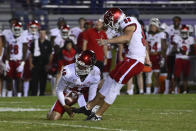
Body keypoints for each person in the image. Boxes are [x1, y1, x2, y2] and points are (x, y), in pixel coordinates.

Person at [73, 8, 146, 121]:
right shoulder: (126, 23)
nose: (110, 24)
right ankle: (89, 107)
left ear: (116, 18)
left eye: (110, 21)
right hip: (130, 58)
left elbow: (127, 38)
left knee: (114, 87)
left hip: (136, 60)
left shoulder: (129, 21)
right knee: (109, 81)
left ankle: (98, 115)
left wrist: (107, 41)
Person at [47, 50, 100, 120]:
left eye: (83, 66)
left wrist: (90, 107)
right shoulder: (68, 71)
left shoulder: (95, 72)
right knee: (53, 117)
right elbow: (59, 90)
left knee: (102, 89)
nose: (79, 67)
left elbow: (92, 94)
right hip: (69, 93)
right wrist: (64, 105)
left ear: (90, 66)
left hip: (84, 94)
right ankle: (50, 112)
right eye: (79, 64)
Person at [5, 22, 28, 97]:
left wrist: (22, 63)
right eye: (16, 29)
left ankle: (19, 94)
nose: (17, 31)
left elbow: (25, 52)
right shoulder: (9, 37)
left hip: (19, 61)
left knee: (19, 79)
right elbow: (7, 50)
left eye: (19, 29)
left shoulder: (23, 38)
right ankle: (9, 94)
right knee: (9, 78)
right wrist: (7, 62)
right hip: (11, 60)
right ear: (13, 29)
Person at [145, 18, 167, 94]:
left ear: (157, 27)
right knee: (148, 74)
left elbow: (164, 47)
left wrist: (163, 58)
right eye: (151, 26)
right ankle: (147, 92)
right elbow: (146, 46)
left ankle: (155, 92)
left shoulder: (161, 34)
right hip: (149, 56)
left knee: (156, 75)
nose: (152, 27)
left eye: (153, 26)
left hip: (157, 56)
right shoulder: (147, 34)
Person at [30, 29, 53, 96]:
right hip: (36, 64)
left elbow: (51, 55)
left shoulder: (48, 43)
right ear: (38, 34)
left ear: (45, 34)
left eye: (43, 33)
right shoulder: (34, 42)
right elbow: (31, 54)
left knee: (43, 80)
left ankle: (42, 94)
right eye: (40, 33)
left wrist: (49, 64)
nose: (42, 35)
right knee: (34, 81)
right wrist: (31, 64)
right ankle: (33, 94)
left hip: (44, 65)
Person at [173, 25, 194, 94]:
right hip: (178, 58)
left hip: (186, 59)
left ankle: (185, 91)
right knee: (176, 75)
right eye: (183, 32)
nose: (184, 34)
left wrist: (187, 52)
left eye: (185, 32)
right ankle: (175, 90)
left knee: (185, 76)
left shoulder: (191, 39)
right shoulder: (177, 37)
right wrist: (180, 50)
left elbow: (193, 50)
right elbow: (174, 49)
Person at [22, 20, 40, 97]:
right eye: (31, 27)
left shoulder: (40, 35)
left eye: (35, 27)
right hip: (26, 58)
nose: (33, 29)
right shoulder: (24, 34)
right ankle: (25, 94)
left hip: (37, 59)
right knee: (26, 76)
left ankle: (38, 93)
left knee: (38, 76)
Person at [164, 16, 181, 94]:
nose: (176, 22)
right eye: (174, 21)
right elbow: (164, 38)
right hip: (170, 53)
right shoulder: (169, 28)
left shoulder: (182, 28)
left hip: (179, 54)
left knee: (177, 73)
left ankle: (176, 89)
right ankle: (167, 90)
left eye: (177, 21)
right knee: (169, 72)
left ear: (180, 21)